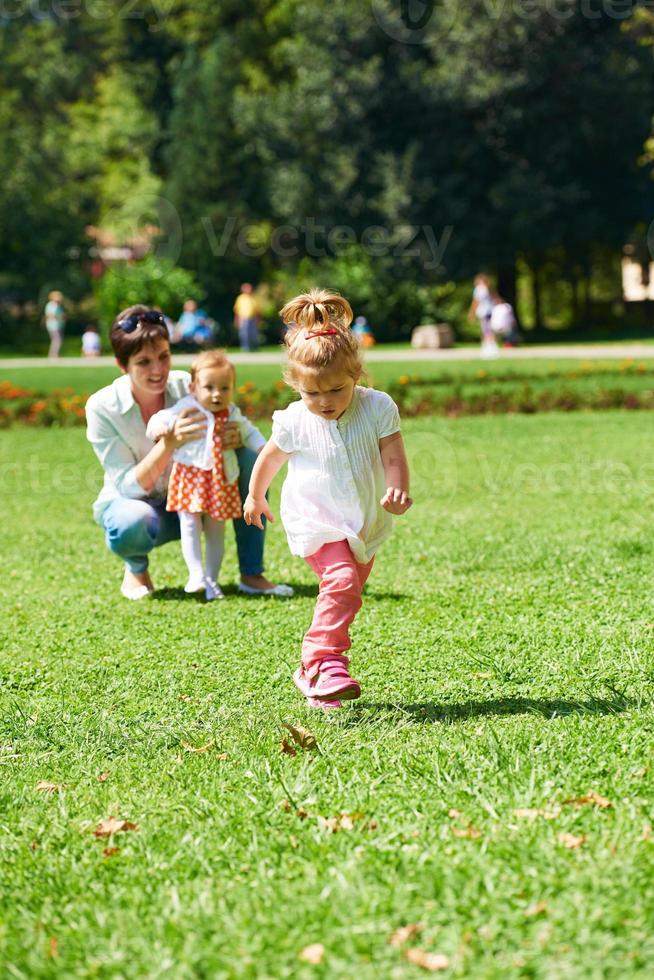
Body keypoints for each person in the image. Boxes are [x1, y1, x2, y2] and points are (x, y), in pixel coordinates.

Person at [243, 289, 412, 710]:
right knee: (340, 582)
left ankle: (316, 679)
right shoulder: (296, 419)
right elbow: (270, 456)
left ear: (356, 373)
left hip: (364, 522)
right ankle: (322, 662)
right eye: (311, 393)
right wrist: (255, 493)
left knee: (347, 593)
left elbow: (393, 453)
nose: (324, 402)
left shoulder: (377, 408)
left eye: (336, 389)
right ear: (296, 386)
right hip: (317, 520)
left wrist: (398, 485)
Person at [85, 305, 293, 601]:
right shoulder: (102, 407)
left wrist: (233, 438)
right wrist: (169, 443)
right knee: (132, 521)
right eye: (143, 362)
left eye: (164, 357)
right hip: (137, 504)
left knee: (249, 459)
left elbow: (231, 420)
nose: (157, 370)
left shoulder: (189, 384)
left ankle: (251, 573)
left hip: (198, 496)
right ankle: (137, 568)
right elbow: (128, 486)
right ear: (122, 365)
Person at [146, 351, 266, 601]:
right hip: (190, 478)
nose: (216, 394)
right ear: (193, 388)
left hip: (221, 480)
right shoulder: (187, 407)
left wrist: (265, 450)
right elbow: (162, 417)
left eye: (224, 388)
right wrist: (159, 427)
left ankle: (212, 580)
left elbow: (250, 432)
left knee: (215, 530)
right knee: (189, 523)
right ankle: (196, 574)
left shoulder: (231, 413)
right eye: (209, 387)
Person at [468, 274, 498, 359]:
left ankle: (488, 349)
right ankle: (491, 348)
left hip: (484, 312)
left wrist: (471, 312)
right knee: (489, 330)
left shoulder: (479, 289)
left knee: (486, 330)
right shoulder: (488, 288)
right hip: (490, 311)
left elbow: (476, 301)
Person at [233, 283, 260, 352]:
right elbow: (236, 310)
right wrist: (237, 320)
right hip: (243, 319)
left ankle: (254, 348)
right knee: (244, 334)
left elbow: (257, 311)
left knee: (253, 334)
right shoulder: (240, 298)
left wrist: (257, 320)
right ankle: (245, 348)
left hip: (252, 319)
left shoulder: (253, 298)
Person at [44, 290, 65, 358]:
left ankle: (56, 354)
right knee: (57, 340)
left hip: (59, 325)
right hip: (53, 326)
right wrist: (59, 317)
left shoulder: (58, 305)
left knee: (58, 340)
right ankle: (53, 355)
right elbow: (50, 315)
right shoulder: (51, 305)